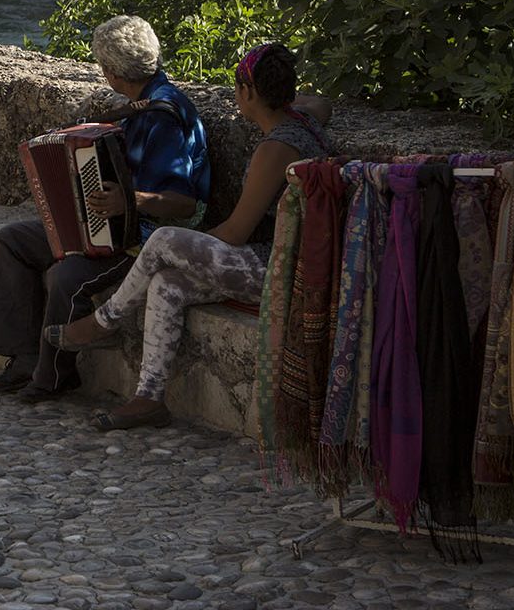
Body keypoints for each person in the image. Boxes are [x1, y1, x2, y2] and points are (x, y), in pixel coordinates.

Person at [47, 43, 335, 429]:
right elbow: (321, 101)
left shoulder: (275, 149)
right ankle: (149, 398)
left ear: (247, 93)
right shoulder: (307, 120)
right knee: (167, 284)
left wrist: (189, 248)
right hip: (288, 258)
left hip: (280, 269)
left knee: (165, 241)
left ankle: (105, 320)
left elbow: (234, 233)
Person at [0, 15, 210, 402]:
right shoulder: (138, 106)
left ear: (113, 73)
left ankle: (54, 376)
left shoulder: (165, 118)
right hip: (108, 224)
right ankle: (23, 358)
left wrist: (128, 201)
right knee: (12, 241)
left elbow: (183, 205)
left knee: (68, 277)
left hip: (144, 237)